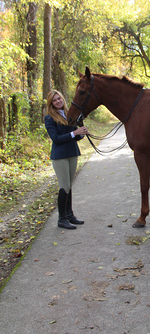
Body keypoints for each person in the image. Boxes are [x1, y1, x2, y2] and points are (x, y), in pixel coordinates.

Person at [45, 90, 89, 230]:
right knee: (64, 186)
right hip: (60, 156)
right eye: (55, 100)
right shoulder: (49, 118)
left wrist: (81, 133)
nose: (58, 101)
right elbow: (56, 139)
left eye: (59, 98)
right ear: (51, 104)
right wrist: (74, 132)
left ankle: (70, 215)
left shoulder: (68, 114)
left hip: (72, 153)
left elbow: (74, 136)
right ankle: (61, 219)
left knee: (69, 185)